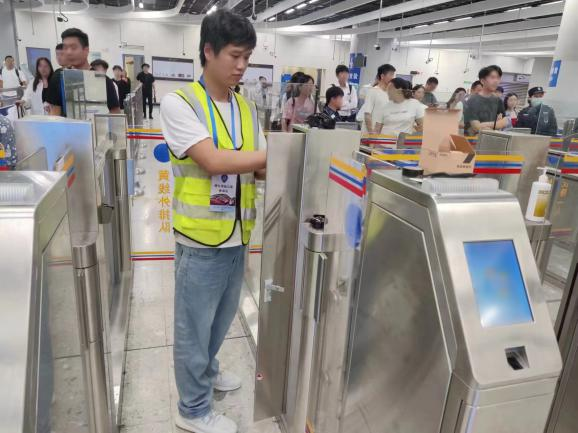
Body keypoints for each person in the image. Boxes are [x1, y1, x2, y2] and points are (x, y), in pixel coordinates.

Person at [160, 9, 267, 433]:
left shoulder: (247, 107)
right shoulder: (180, 102)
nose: (242, 66)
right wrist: (266, 156)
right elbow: (212, 161)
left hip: (238, 233)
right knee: (193, 327)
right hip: (201, 240)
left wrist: (267, 161)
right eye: (235, 56)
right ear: (208, 51)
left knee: (221, 320)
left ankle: (209, 370)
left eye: (247, 57)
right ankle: (192, 409)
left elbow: (258, 165)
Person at [46, 28, 120, 116]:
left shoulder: (102, 80)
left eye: (73, 48)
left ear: (86, 50)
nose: (68, 52)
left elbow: (115, 113)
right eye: (65, 48)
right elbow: (54, 113)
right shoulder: (58, 77)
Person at [464, 65, 508, 135]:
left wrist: (483, 125)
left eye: (498, 78)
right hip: (473, 139)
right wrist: (496, 124)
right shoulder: (472, 101)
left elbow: (505, 122)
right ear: (482, 81)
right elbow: (476, 127)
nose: (496, 81)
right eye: (492, 77)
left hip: (491, 139)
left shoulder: (498, 100)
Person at [359, 63, 396, 133]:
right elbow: (367, 114)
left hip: (383, 133)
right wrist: (371, 133)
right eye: (391, 75)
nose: (392, 78)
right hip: (370, 133)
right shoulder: (373, 91)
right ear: (382, 76)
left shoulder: (390, 94)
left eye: (393, 75)